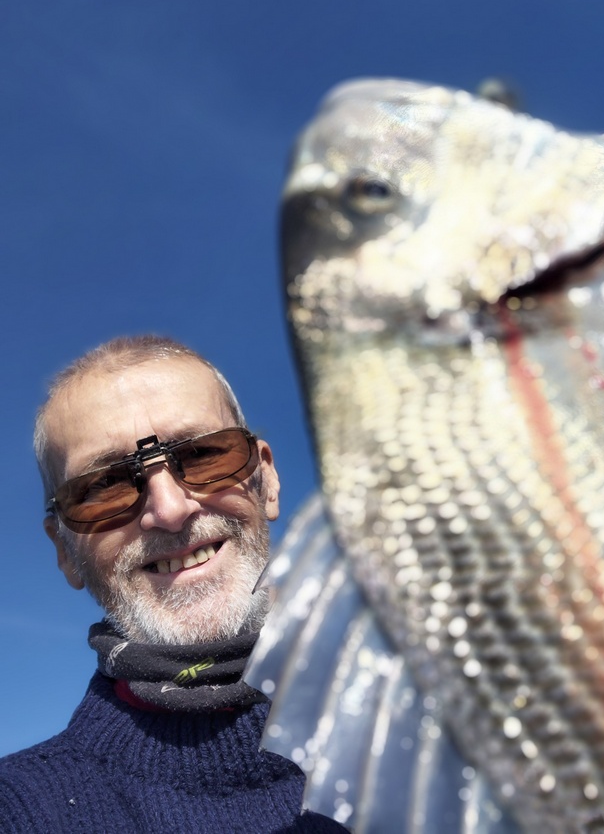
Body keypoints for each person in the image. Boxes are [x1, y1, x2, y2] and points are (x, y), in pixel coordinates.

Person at [0, 335, 347, 833]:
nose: (169, 509)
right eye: (104, 484)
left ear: (266, 482)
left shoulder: (446, 721)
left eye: (203, 454)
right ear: (63, 551)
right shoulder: (20, 813)